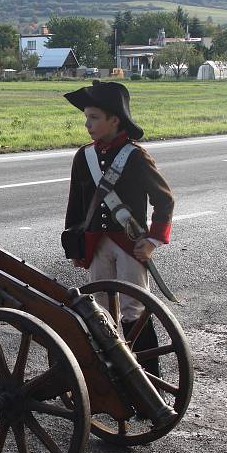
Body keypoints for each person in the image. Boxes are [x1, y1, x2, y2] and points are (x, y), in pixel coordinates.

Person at [63, 81, 174, 377]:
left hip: (129, 245)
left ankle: (147, 378)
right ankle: (111, 376)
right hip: (96, 245)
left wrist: (151, 240)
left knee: (134, 310)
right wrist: (76, 247)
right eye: (86, 117)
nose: (88, 124)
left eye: (95, 117)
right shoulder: (83, 157)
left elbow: (164, 200)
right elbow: (76, 206)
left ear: (115, 119)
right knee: (100, 310)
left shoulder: (135, 156)